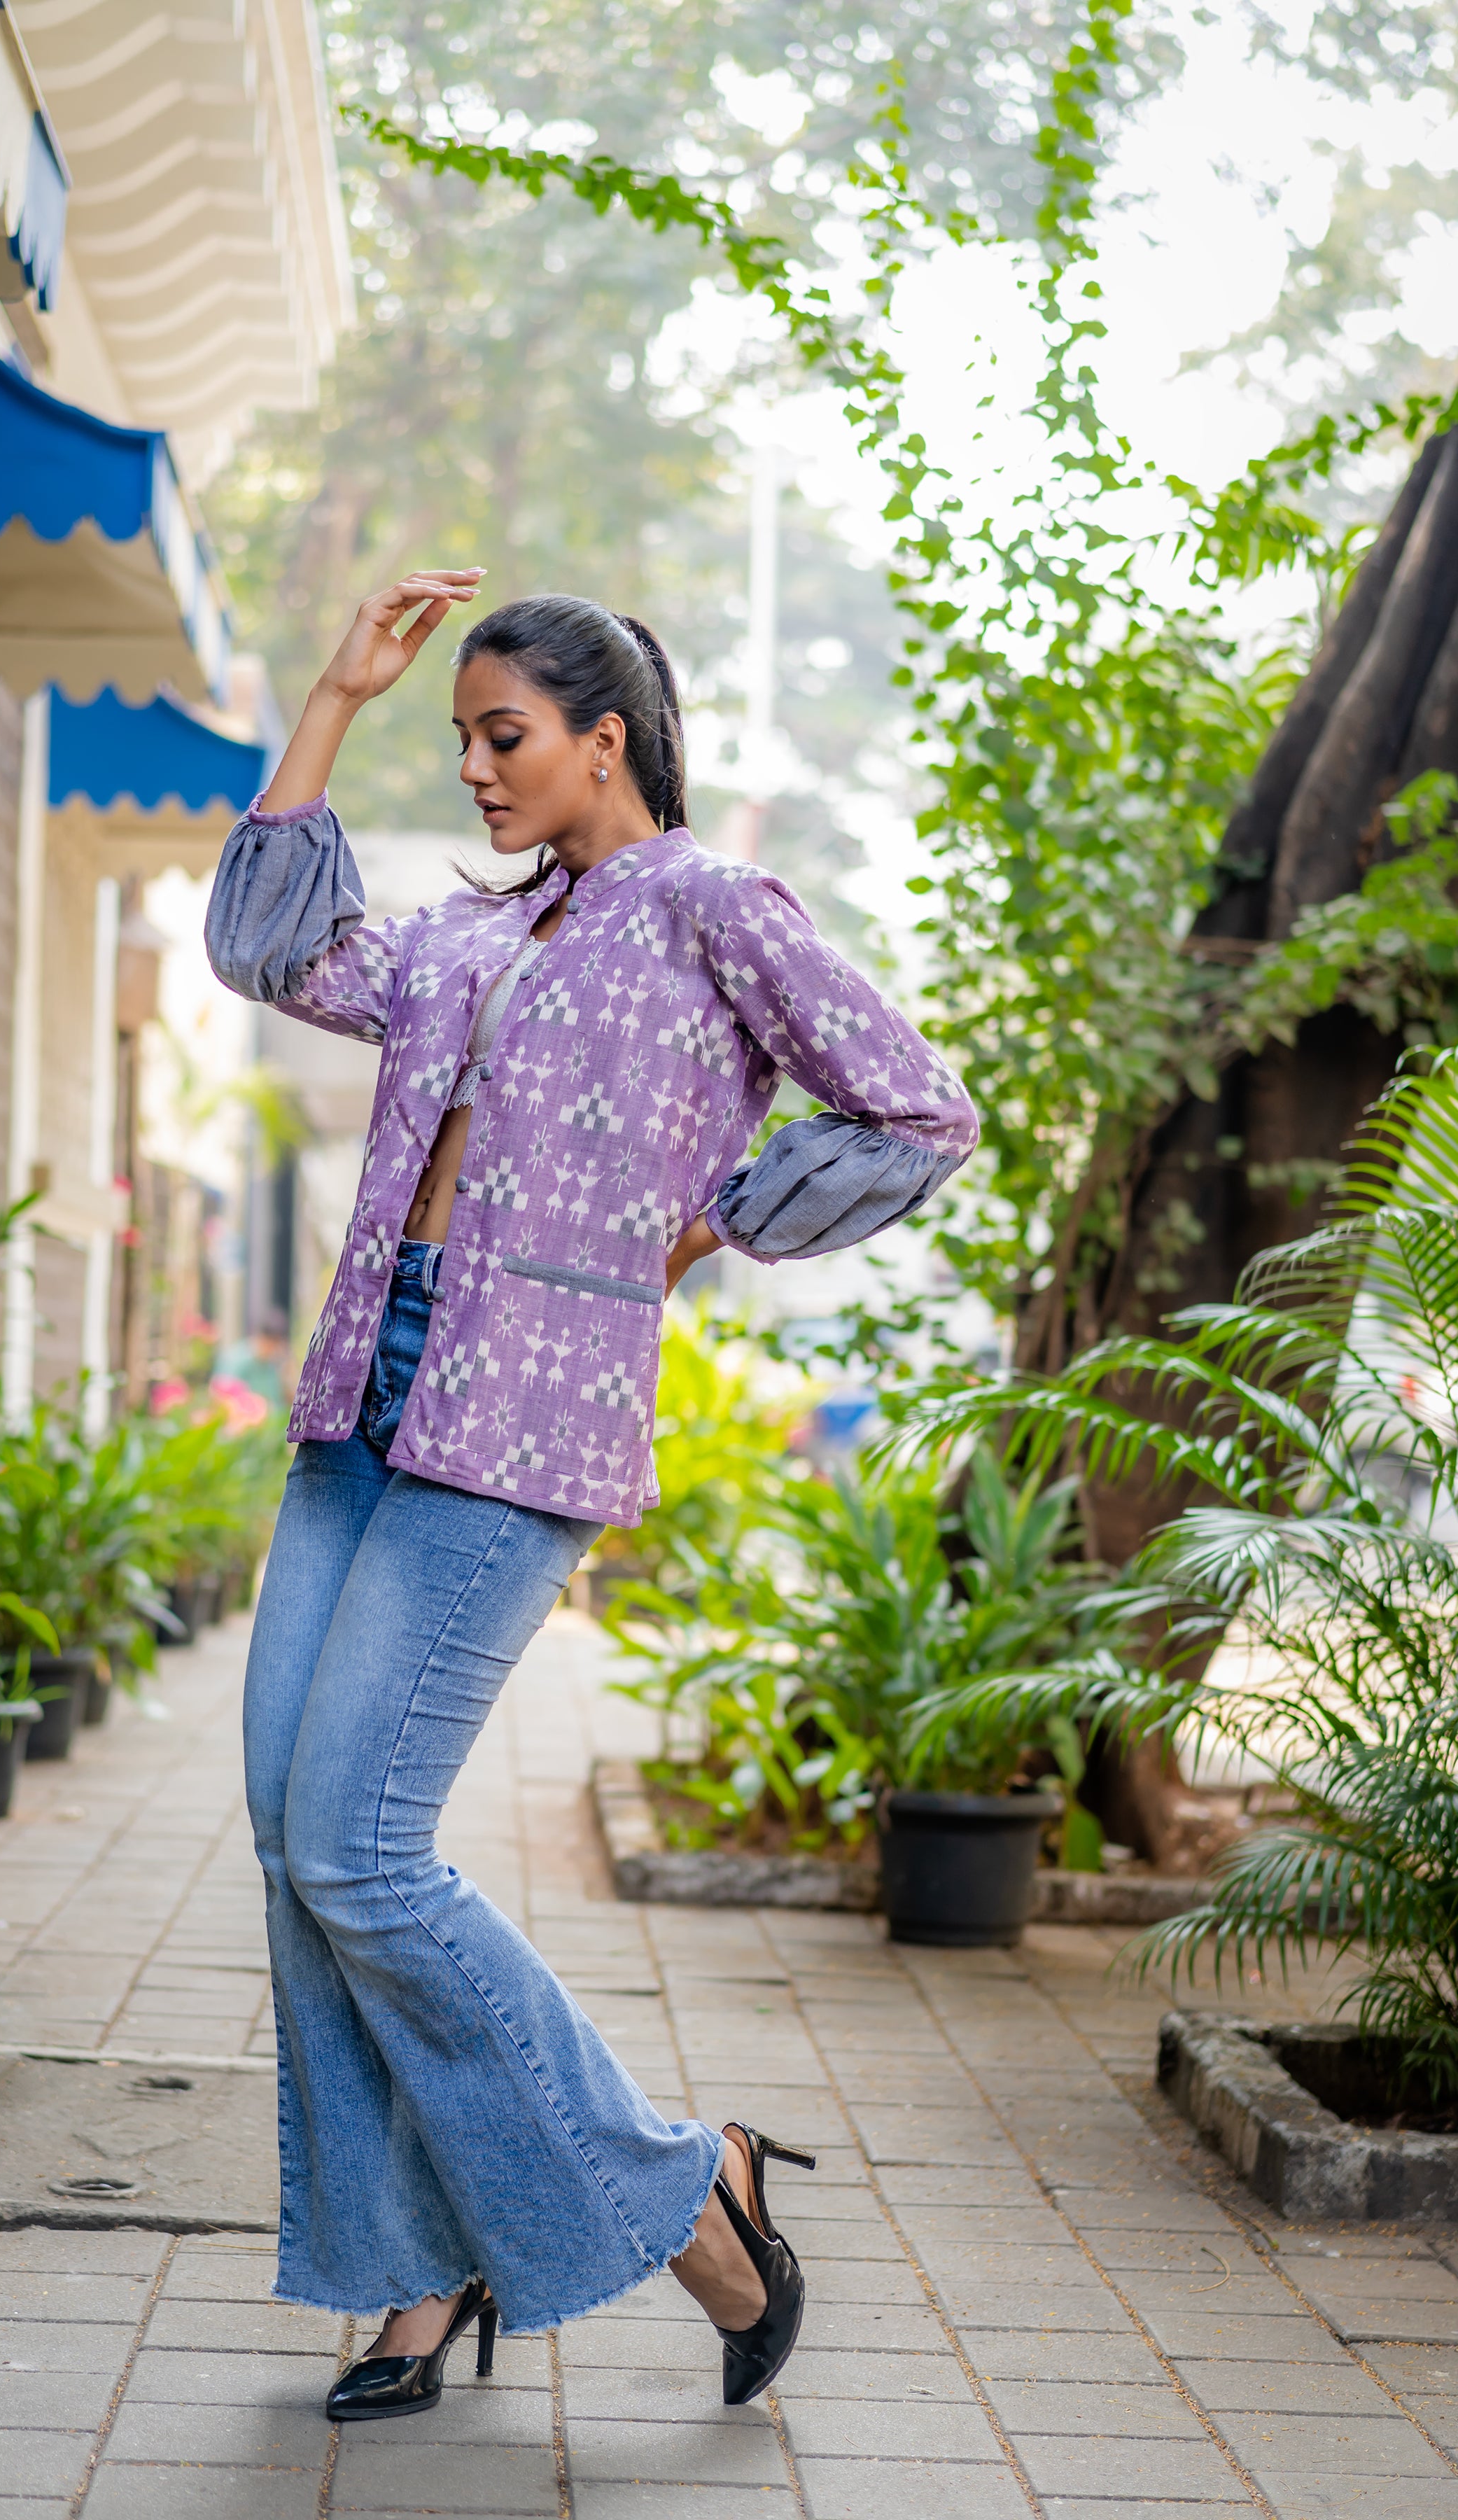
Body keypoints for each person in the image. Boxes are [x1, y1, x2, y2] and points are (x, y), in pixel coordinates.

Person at [205, 570, 978, 2422]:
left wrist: (711, 1229)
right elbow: (270, 949)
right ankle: (414, 2271)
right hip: (359, 1412)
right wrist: (331, 691)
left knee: (362, 1855)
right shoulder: (470, 945)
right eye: (460, 739)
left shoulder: (708, 904)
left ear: (602, 740)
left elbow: (911, 1105)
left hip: (522, 1432)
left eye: (504, 737)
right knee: (295, 1858)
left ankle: (682, 2191)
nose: (475, 769)